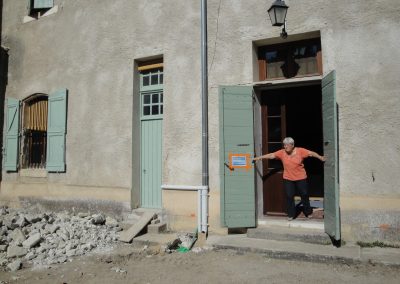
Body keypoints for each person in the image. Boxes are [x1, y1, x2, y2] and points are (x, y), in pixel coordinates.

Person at [253, 137, 326, 221]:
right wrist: (259, 157)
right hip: (288, 178)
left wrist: (320, 157)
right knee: (289, 196)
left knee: (304, 194)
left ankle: (308, 212)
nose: (285, 147)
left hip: (301, 177)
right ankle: (291, 214)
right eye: (284, 145)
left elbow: (311, 153)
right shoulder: (282, 152)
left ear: (292, 145)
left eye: (287, 145)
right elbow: (271, 155)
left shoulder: (300, 151)